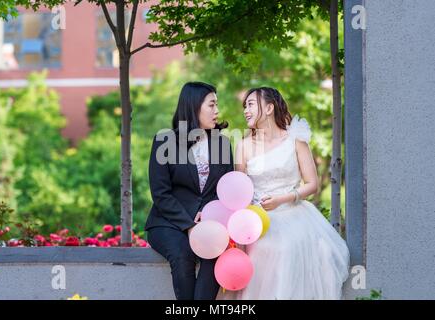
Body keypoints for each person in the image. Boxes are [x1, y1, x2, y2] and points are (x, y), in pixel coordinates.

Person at [218, 87, 349, 299]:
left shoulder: (295, 140)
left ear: (269, 108)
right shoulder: (243, 146)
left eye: (251, 104)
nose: (246, 110)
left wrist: (282, 199)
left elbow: (312, 184)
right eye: (245, 106)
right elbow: (238, 192)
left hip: (294, 212)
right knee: (262, 248)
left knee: (287, 246)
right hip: (258, 220)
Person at [145, 82, 234, 300]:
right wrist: (189, 225)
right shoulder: (165, 142)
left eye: (217, 105)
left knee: (215, 255)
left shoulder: (222, 144)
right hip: (169, 223)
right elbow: (160, 193)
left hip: (209, 222)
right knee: (182, 256)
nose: (217, 111)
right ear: (194, 106)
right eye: (212, 105)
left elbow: (225, 189)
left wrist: (208, 214)